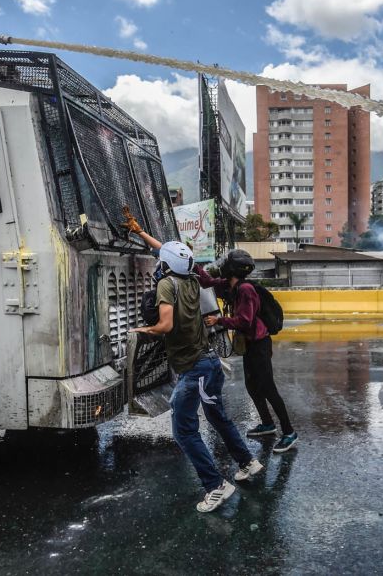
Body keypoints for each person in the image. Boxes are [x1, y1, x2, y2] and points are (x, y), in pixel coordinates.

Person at [123, 212, 263, 513]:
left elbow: (164, 326)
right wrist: (140, 232)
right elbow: (168, 251)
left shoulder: (167, 286)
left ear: (166, 265)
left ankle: (216, 485)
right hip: (210, 364)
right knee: (218, 418)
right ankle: (248, 462)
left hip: (195, 370)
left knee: (184, 431)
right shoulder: (193, 280)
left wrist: (137, 331)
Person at [198, 249, 299, 453]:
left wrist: (219, 321)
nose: (221, 266)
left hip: (259, 345)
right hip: (251, 344)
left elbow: (245, 320)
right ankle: (268, 424)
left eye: (225, 263)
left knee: (268, 388)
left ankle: (289, 432)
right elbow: (207, 282)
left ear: (230, 268)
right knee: (252, 386)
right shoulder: (230, 285)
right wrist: (190, 261)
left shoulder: (245, 290)